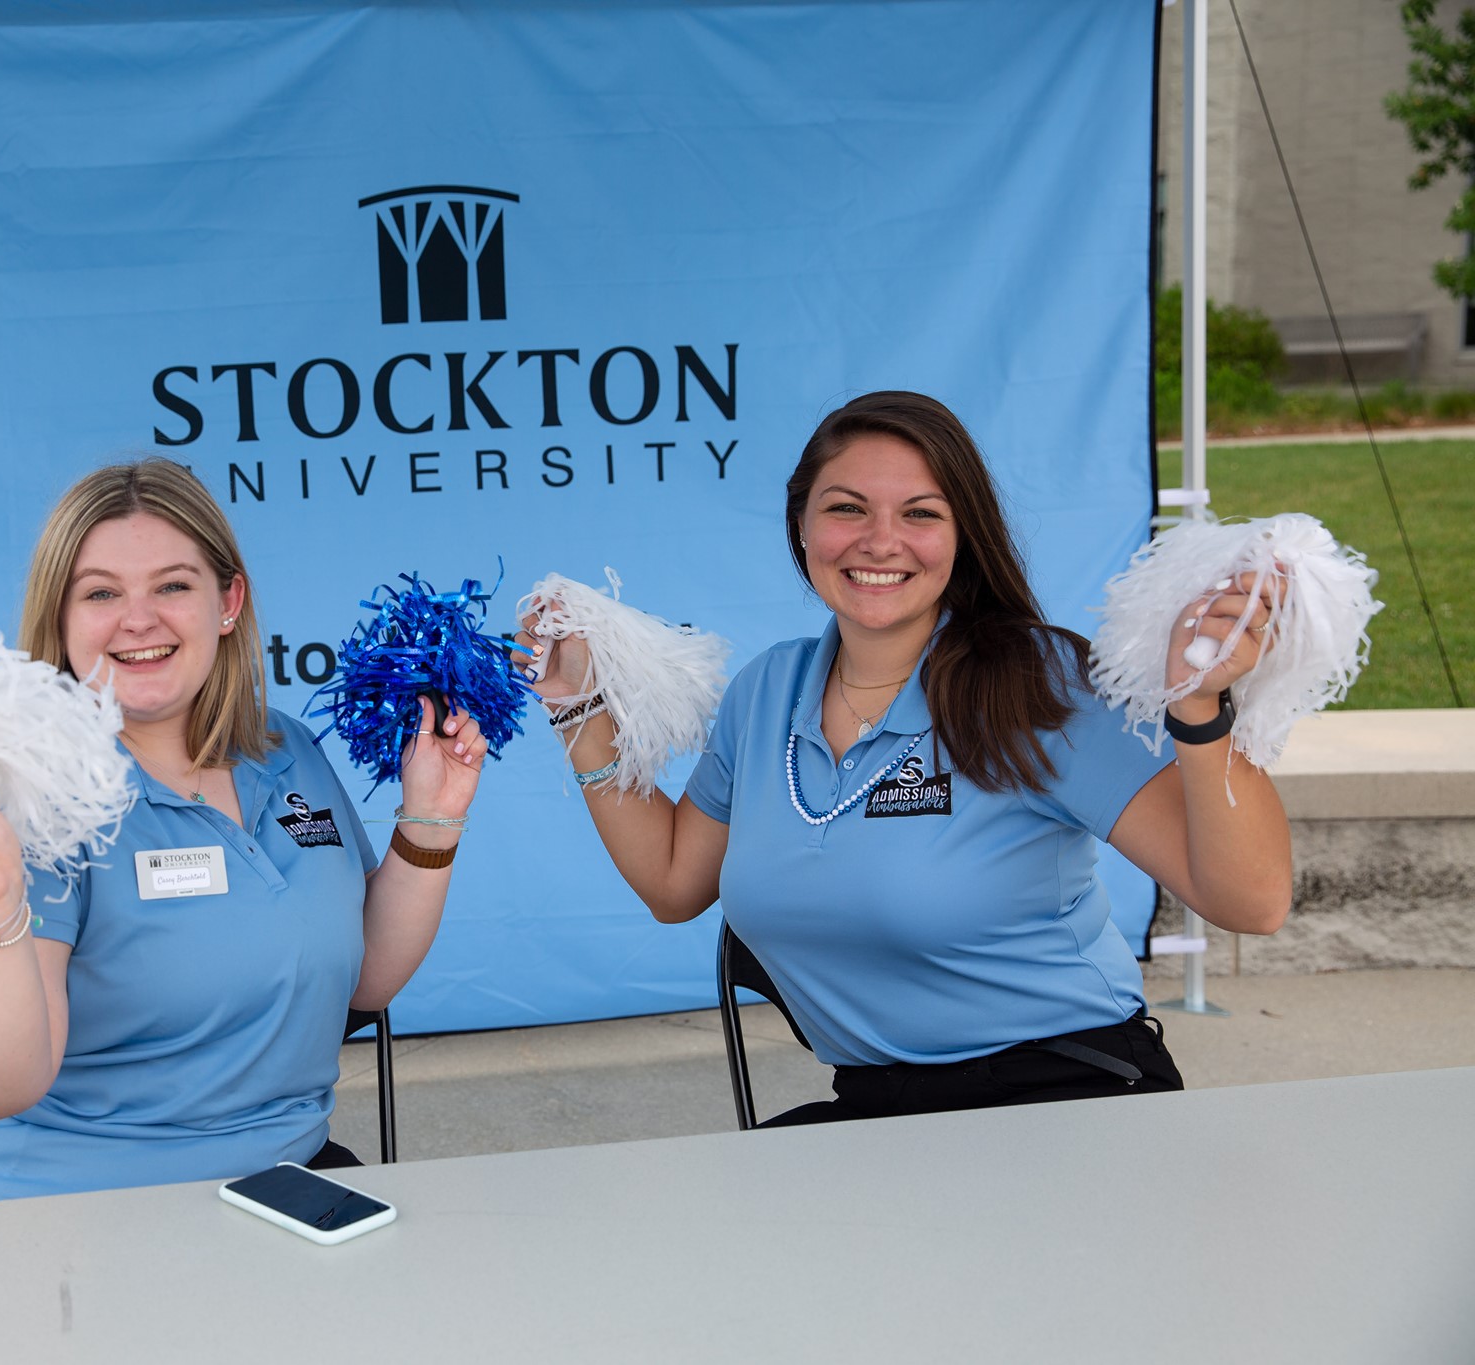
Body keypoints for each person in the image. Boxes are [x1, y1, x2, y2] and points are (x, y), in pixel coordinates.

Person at [520, 391, 1291, 1125]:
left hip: (1064, 1094)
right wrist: (578, 707)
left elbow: (1251, 903)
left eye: (920, 513)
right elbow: (672, 881)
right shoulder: (767, 691)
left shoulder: (1037, 683)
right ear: (802, 527)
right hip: (876, 1110)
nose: (879, 540)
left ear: (964, 535)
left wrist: (1195, 708)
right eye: (846, 508)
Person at [0, 458, 486, 1203]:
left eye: (173, 585)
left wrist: (432, 818)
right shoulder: (29, 793)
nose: (138, 618)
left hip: (283, 1184)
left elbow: (360, 983)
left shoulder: (288, 749)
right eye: (101, 592)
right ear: (60, 616)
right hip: (65, 1202)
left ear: (228, 601)